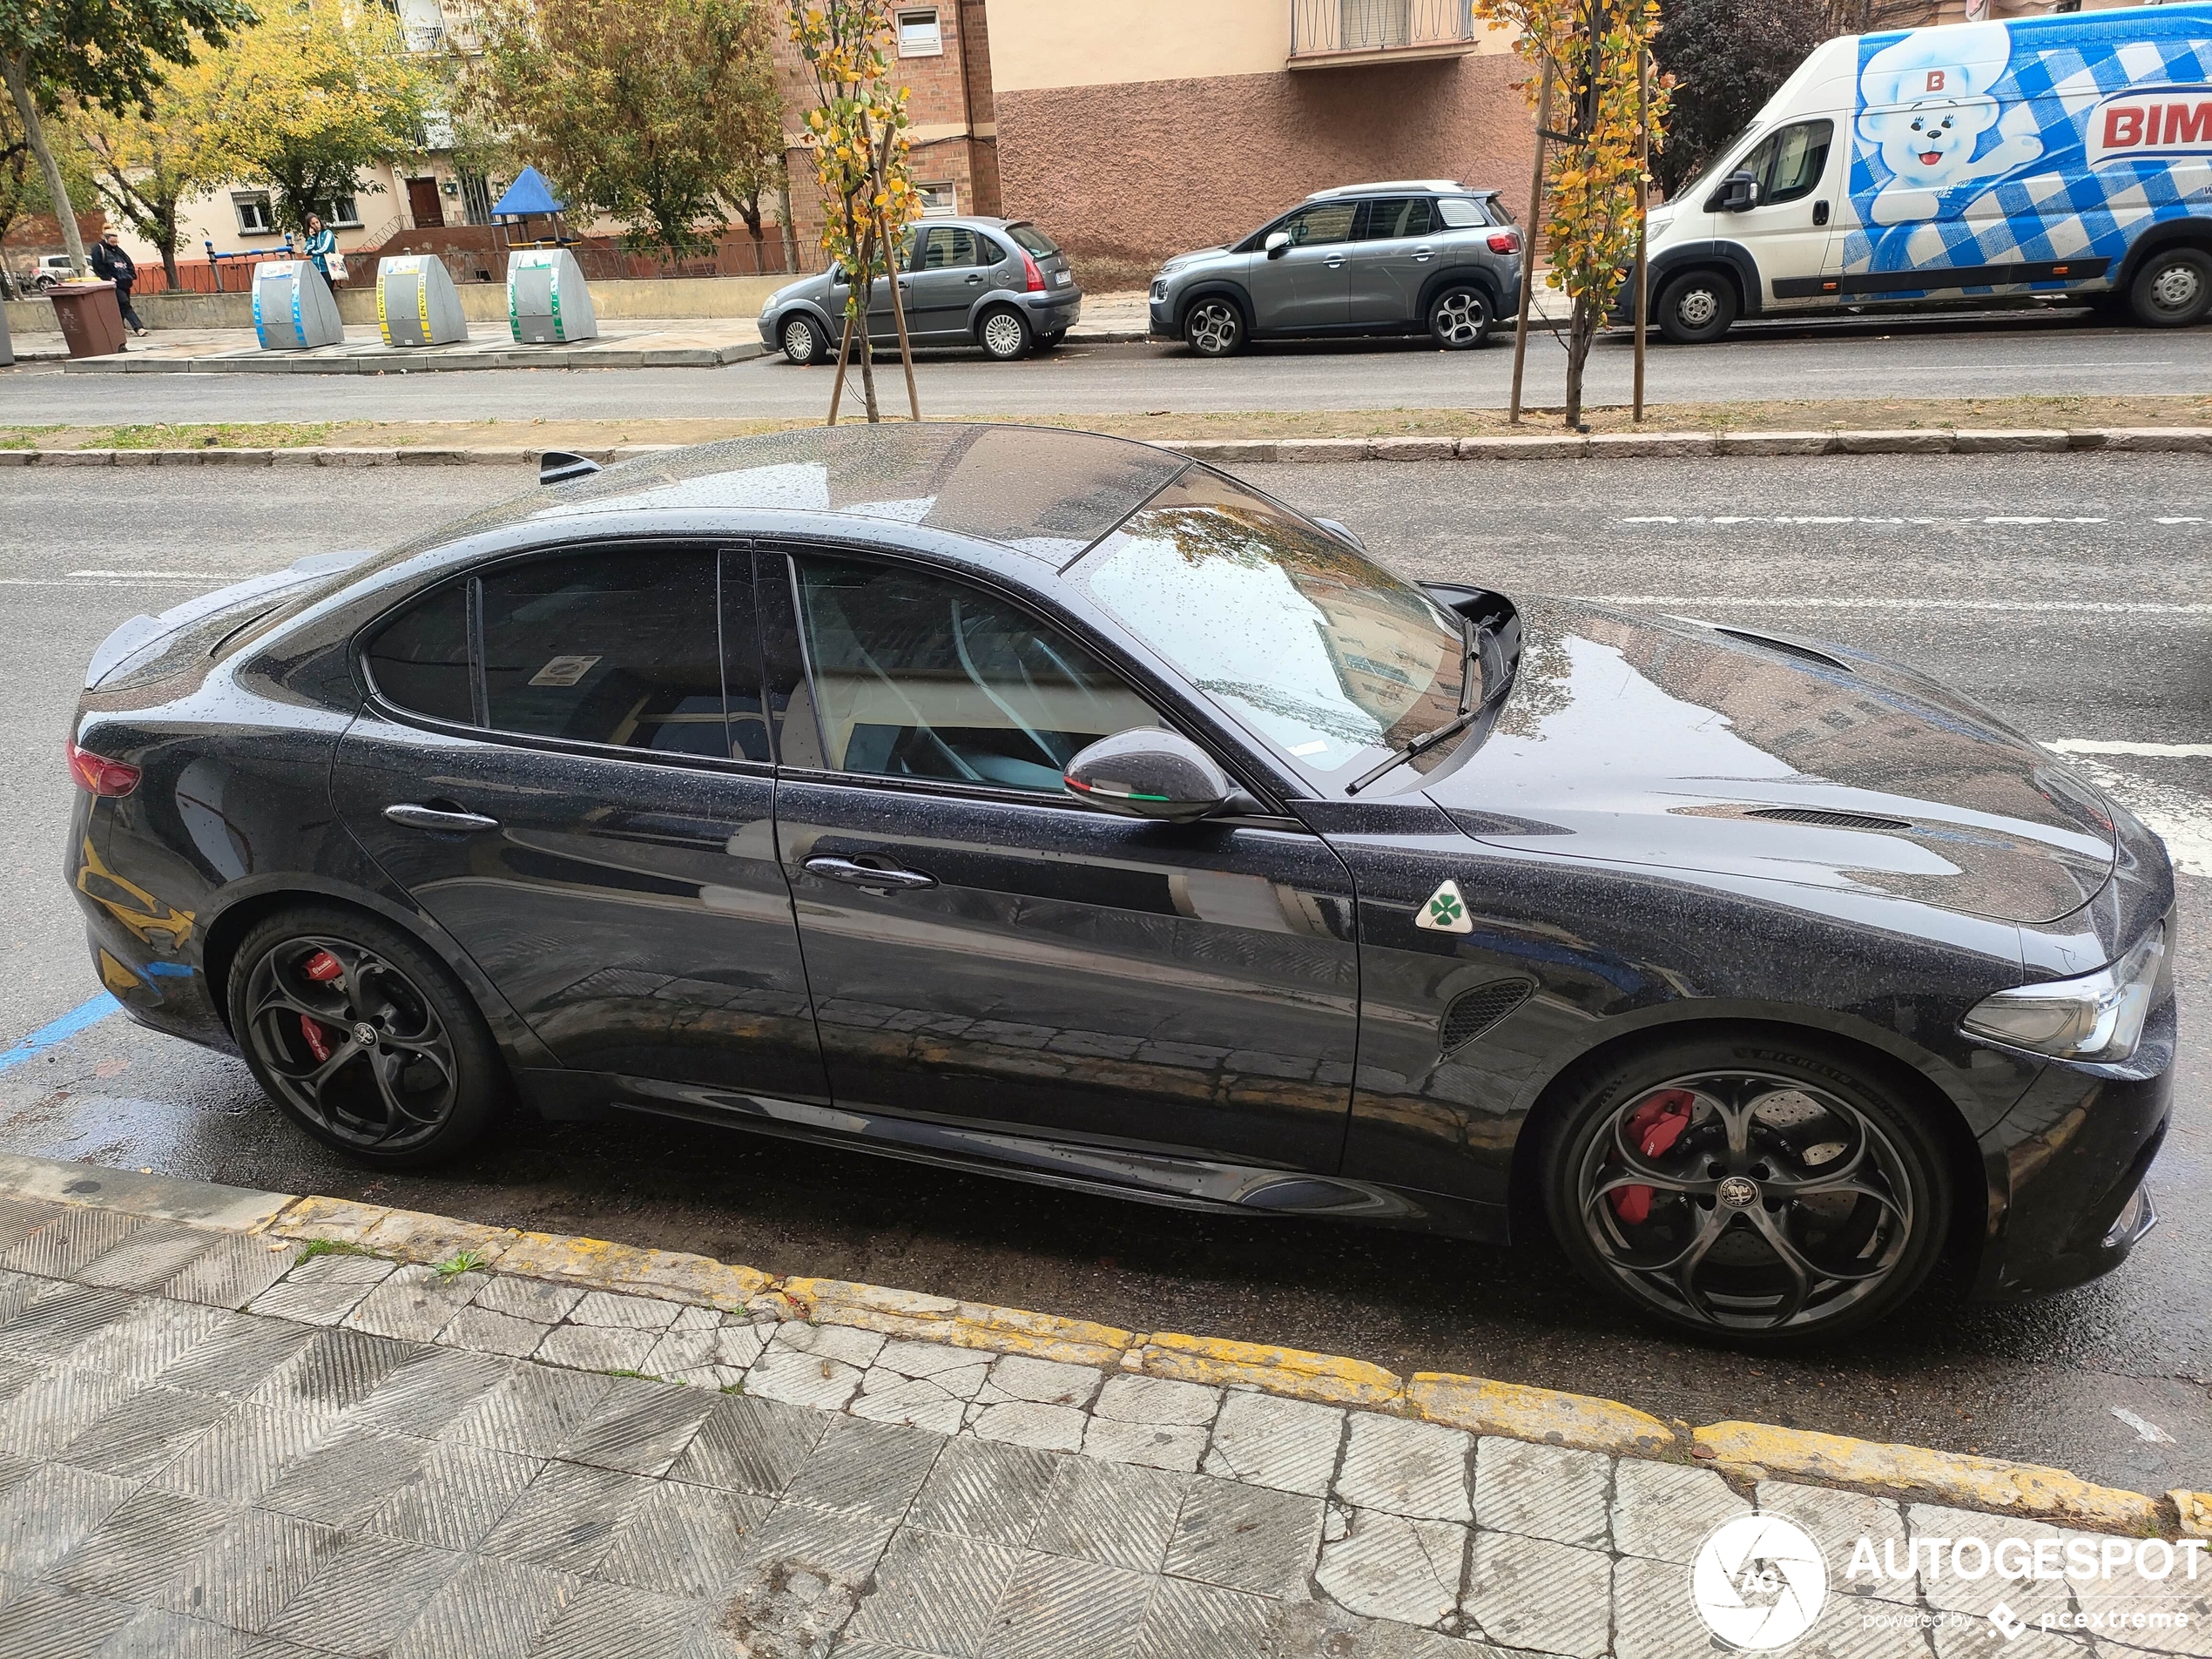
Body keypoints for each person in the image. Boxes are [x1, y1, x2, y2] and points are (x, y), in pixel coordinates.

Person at [88, 229, 147, 337]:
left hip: (124, 281)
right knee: (125, 304)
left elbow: (128, 262)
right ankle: (138, 327)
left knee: (122, 306)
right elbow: (98, 266)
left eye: (116, 242)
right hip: (113, 282)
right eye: (112, 242)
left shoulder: (118, 251)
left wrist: (131, 274)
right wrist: (108, 277)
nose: (114, 244)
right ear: (106, 239)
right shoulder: (98, 249)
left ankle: (120, 327)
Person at [303, 213, 339, 286]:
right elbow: (306, 251)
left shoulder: (327, 233)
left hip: (327, 268)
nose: (316, 225)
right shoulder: (313, 238)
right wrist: (312, 238)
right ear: (310, 226)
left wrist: (314, 252)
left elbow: (325, 249)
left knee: (328, 292)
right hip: (316, 269)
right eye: (313, 224)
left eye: (317, 222)